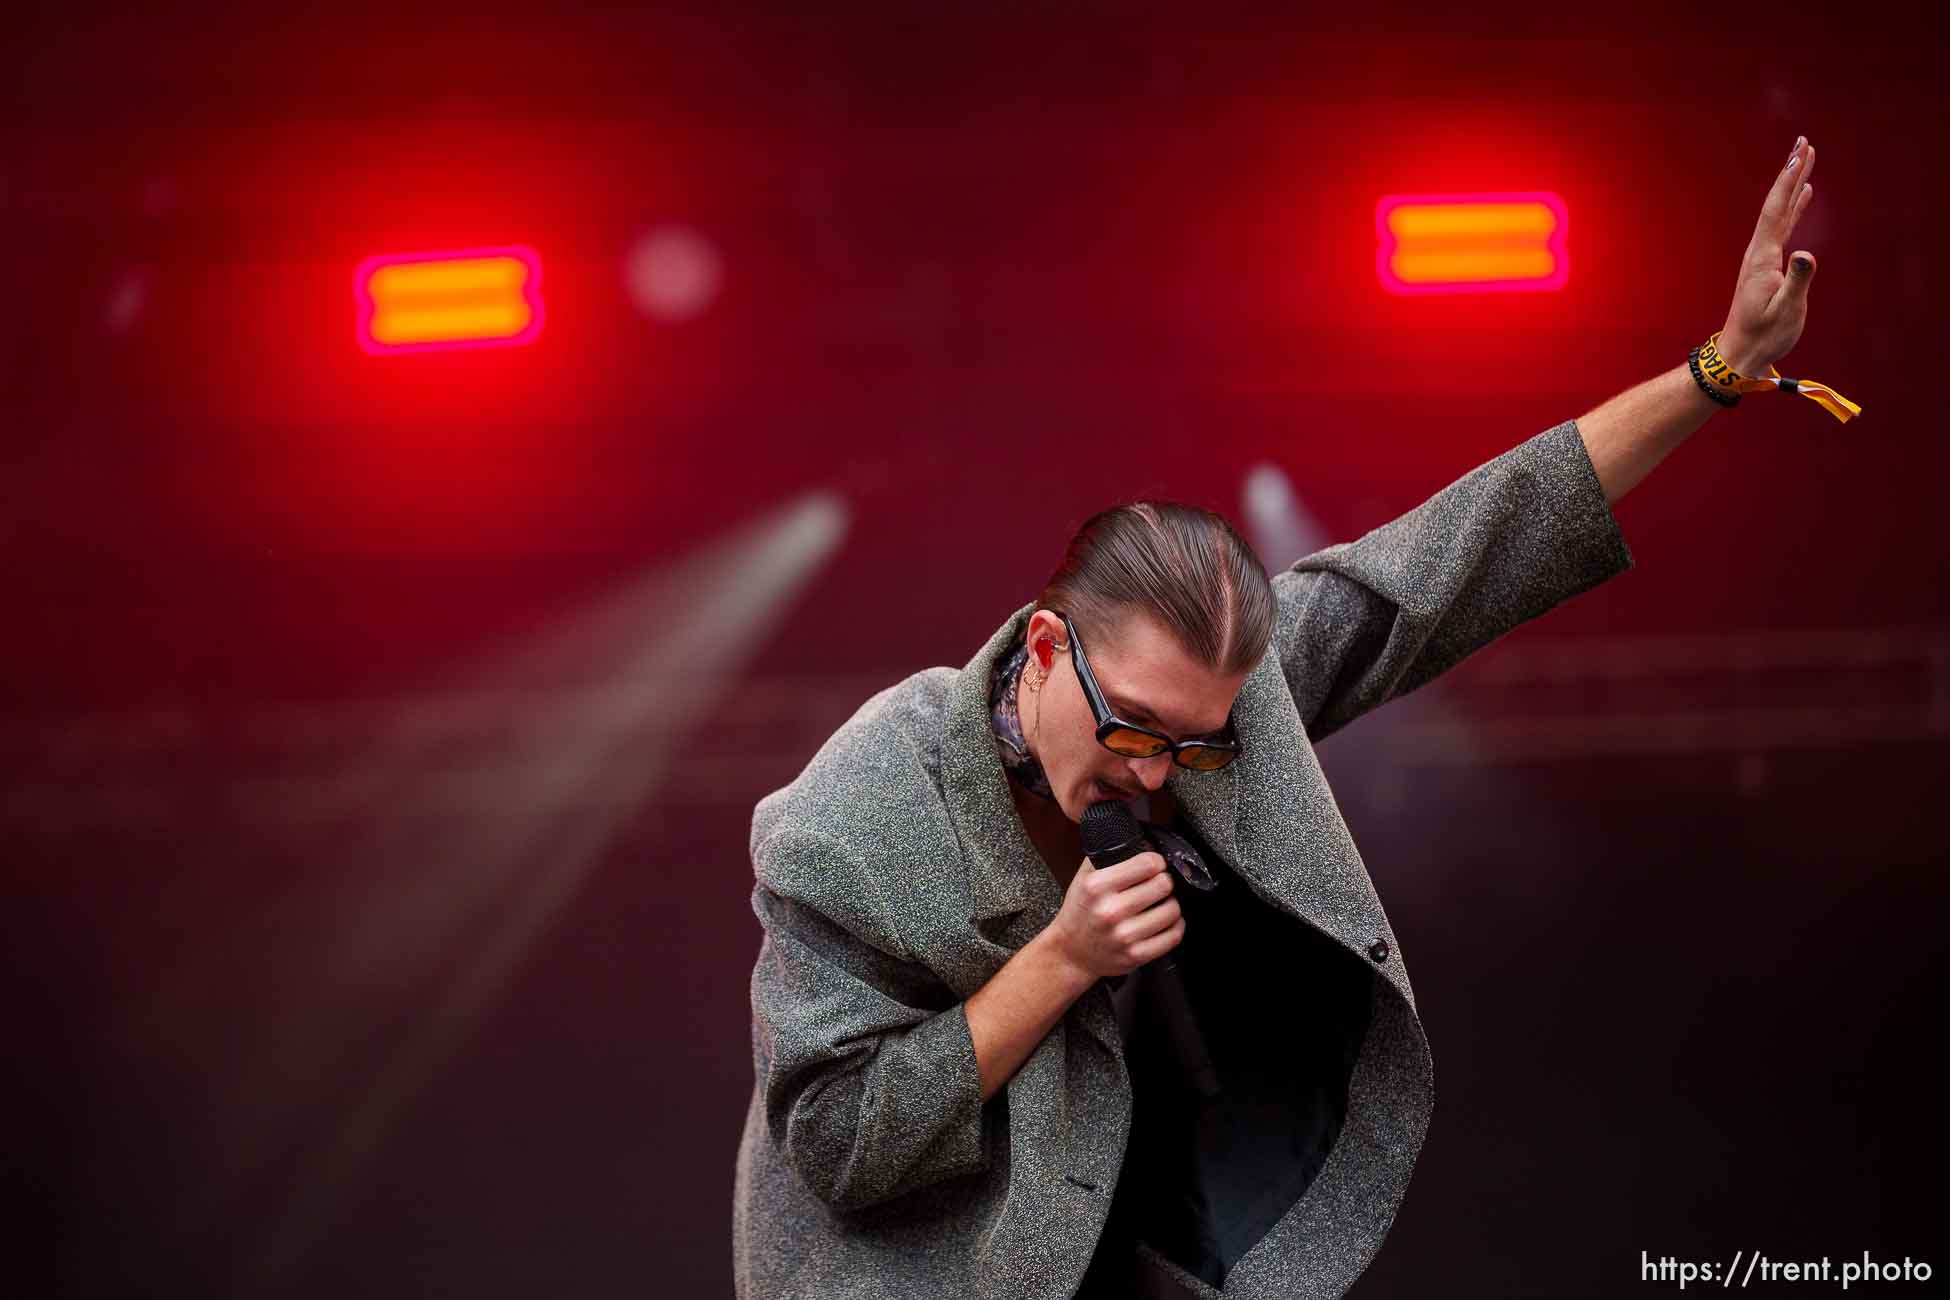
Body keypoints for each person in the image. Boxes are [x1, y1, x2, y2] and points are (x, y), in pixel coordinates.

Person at [731, 138, 1851, 1299]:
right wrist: (1064, 957)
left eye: (1197, 743)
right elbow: (842, 1142)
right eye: (1138, 732)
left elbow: (1445, 565)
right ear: (1049, 648)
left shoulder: (1206, 711)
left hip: (1149, 1218)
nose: (1164, 776)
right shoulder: (855, 812)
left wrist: (1712, 374)